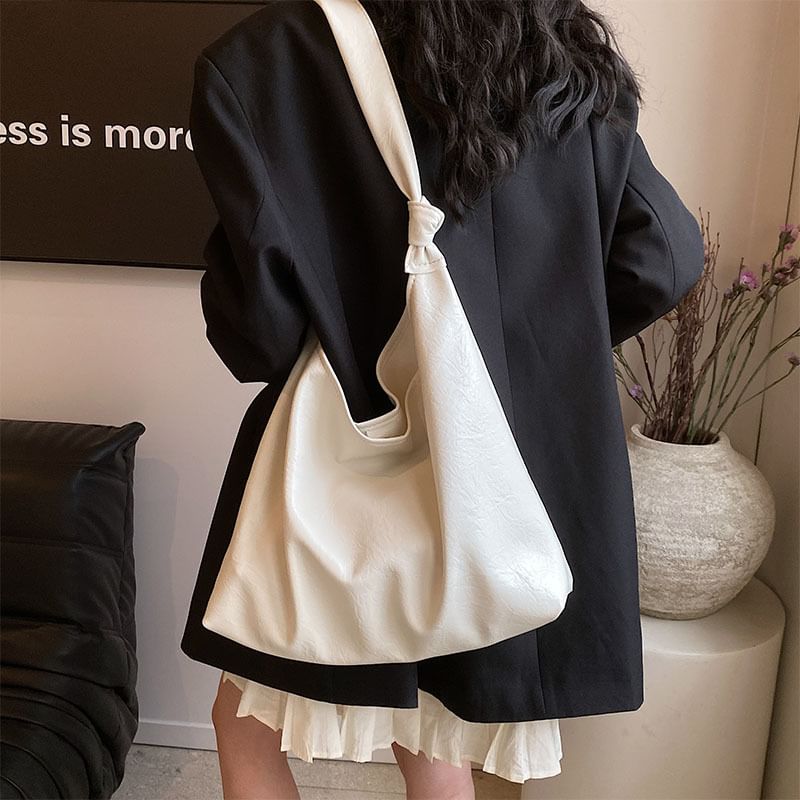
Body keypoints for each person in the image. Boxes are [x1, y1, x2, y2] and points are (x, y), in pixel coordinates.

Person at [180, 1, 705, 798]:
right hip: (508, 481)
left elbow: (259, 329)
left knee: (246, 720)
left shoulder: (267, 54)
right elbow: (662, 255)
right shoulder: (558, 46)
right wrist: (543, 352)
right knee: (438, 738)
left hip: (346, 470)